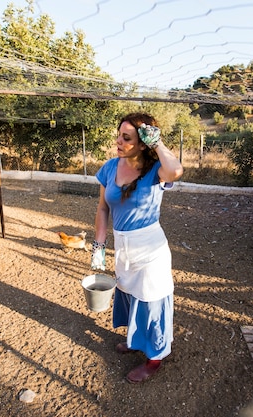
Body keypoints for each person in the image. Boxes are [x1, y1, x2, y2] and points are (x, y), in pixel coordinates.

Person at [91, 112, 183, 383]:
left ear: (143, 143)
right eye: (119, 135)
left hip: (150, 249)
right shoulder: (110, 167)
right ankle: (135, 339)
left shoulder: (157, 171)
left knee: (151, 301)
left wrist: (158, 144)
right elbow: (103, 207)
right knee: (130, 295)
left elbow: (176, 170)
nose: (118, 141)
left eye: (127, 138)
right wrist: (99, 244)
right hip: (123, 246)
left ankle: (154, 358)